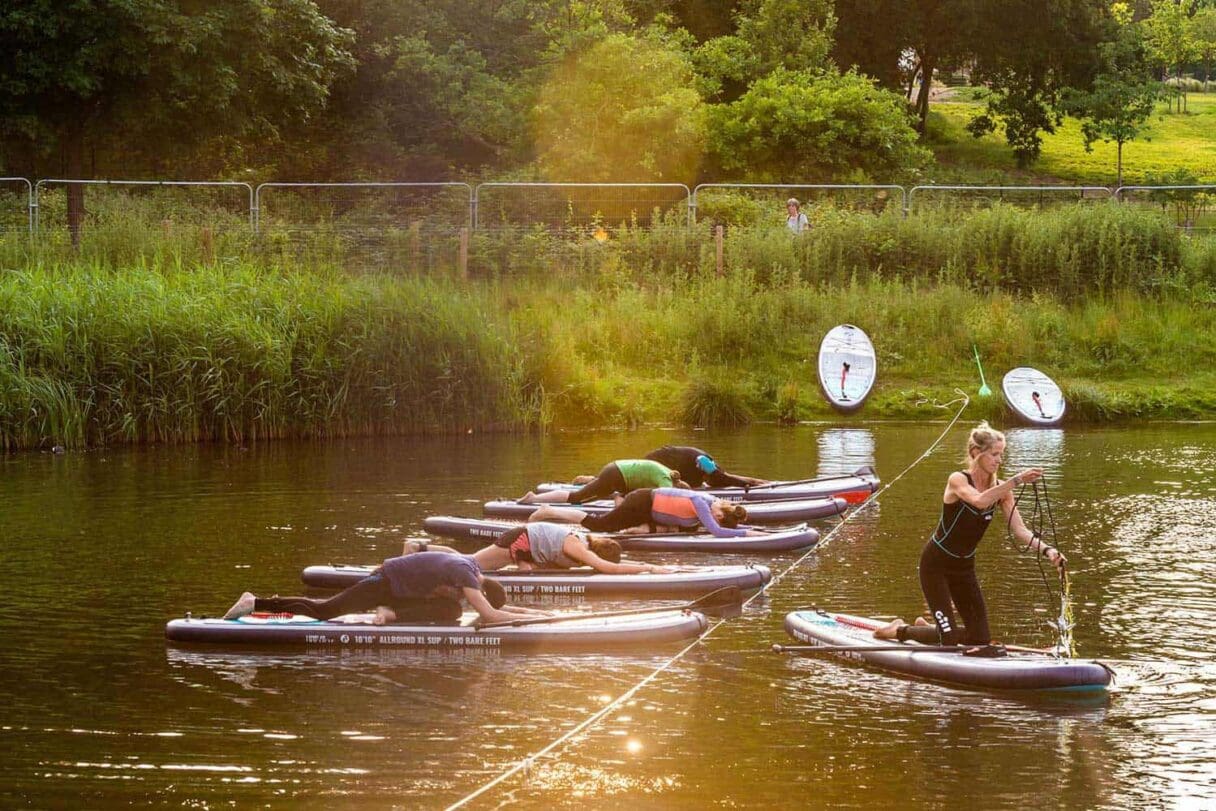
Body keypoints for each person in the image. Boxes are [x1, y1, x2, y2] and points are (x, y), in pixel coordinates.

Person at [873, 422, 1067, 647]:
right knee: (948, 639)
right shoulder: (958, 480)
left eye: (1001, 454)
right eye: (994, 454)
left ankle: (930, 629)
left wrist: (1048, 550)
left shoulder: (1003, 492)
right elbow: (978, 500)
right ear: (976, 453)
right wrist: (1017, 480)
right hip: (936, 565)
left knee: (980, 639)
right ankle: (898, 629)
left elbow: (1020, 530)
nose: (999, 460)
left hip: (964, 568)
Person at [222, 551, 550, 626]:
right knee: (326, 610)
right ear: (477, 591)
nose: (470, 605)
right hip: (385, 582)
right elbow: (491, 614)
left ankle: (390, 613)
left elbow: (497, 608)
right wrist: (527, 623)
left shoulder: (472, 572)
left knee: (448, 611)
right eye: (473, 601)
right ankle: (256, 601)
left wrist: (543, 615)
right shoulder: (467, 576)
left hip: (400, 590)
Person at [401, 524, 674, 575]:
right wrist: (649, 567)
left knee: (469, 562)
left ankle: (421, 550)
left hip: (527, 547)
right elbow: (608, 568)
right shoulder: (577, 546)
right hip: (518, 541)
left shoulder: (582, 544)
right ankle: (418, 547)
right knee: (469, 563)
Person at [528, 487, 758, 538]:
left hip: (650, 511)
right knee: (600, 526)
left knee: (685, 527)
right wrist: (748, 535)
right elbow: (716, 531)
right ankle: (549, 509)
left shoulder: (710, 505)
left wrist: (755, 530)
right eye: (718, 516)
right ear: (722, 510)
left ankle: (634, 529)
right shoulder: (702, 501)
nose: (715, 518)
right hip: (642, 502)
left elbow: (722, 527)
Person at [518, 459, 686, 505]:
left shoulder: (667, 471)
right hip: (617, 475)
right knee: (577, 498)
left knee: (609, 494)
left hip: (618, 471)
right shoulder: (665, 481)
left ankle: (589, 481)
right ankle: (534, 498)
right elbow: (665, 498)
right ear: (677, 485)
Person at [644, 445, 768, 489]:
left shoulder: (707, 467)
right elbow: (727, 478)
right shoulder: (705, 463)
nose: (706, 482)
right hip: (660, 460)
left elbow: (726, 478)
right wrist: (747, 484)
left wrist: (751, 484)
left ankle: (764, 483)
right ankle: (762, 483)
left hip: (665, 461)